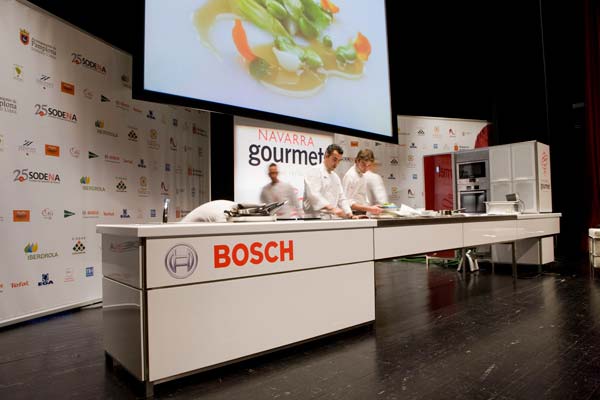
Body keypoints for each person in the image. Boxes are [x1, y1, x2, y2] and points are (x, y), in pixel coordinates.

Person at [303, 144, 352, 218]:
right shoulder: (314, 171)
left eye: (339, 161)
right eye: (334, 159)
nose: (336, 164)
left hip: (331, 219)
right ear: (326, 155)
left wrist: (350, 214)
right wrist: (332, 208)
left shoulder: (336, 177)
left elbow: (342, 198)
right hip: (314, 218)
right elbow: (313, 195)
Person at [342, 149, 383, 215]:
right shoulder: (350, 176)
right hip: (353, 214)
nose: (366, 168)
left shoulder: (362, 174)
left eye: (368, 165)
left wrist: (371, 208)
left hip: (361, 213)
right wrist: (370, 208)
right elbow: (347, 202)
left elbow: (361, 199)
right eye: (363, 164)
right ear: (357, 161)